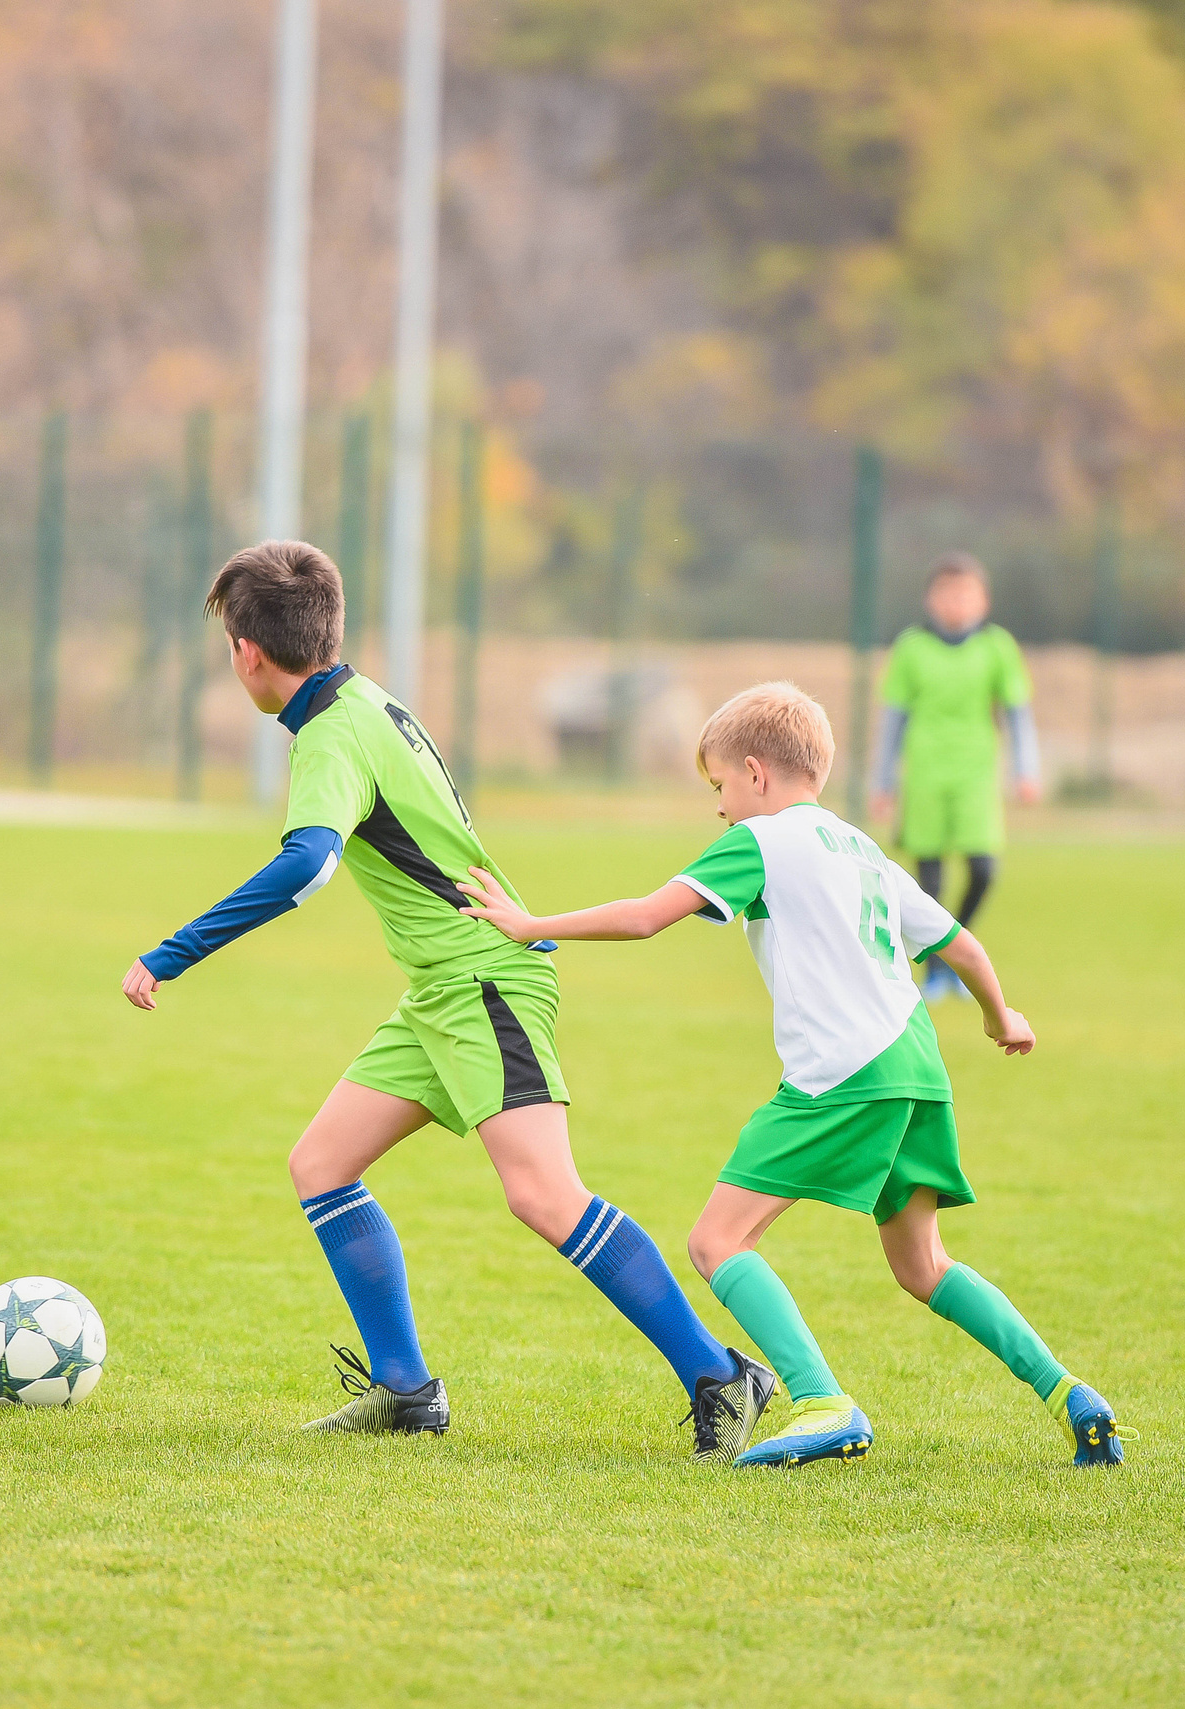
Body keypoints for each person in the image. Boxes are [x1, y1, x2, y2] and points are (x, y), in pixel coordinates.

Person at [119, 540, 776, 1456]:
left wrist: (173, 952)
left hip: (484, 979)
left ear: (247, 652)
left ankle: (721, 1374)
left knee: (546, 1195)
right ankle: (403, 1388)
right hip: (442, 986)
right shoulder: (364, 698)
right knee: (322, 1164)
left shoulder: (330, 733)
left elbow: (308, 865)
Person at [457, 682, 1131, 1469]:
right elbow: (964, 947)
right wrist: (1000, 1015)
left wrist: (531, 924)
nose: (720, 809)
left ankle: (821, 1400)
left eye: (719, 788)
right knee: (924, 1264)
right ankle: (1071, 1395)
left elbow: (647, 915)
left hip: (844, 1073)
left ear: (755, 772)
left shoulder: (763, 841)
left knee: (717, 1238)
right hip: (917, 1065)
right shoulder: (864, 851)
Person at [871, 553, 1040, 1002]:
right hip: (925, 772)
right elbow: (893, 718)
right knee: (931, 881)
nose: (956, 603)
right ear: (931, 600)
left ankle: (950, 957)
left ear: (983, 601)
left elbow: (1018, 712)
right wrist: (881, 780)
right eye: (947, 594)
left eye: (966, 594)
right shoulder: (911, 648)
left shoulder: (996, 647)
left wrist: (1027, 769)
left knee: (983, 870)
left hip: (976, 772)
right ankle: (941, 973)